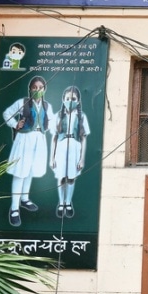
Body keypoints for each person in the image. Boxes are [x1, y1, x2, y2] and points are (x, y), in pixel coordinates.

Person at [2, 76, 54, 226]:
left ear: (44, 89)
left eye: (40, 87)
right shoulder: (22, 102)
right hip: (24, 139)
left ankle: (24, 199)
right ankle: (14, 208)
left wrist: (45, 126)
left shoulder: (47, 105)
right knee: (20, 172)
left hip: (39, 139)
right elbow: (7, 113)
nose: (37, 90)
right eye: (35, 87)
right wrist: (15, 124)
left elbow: (49, 120)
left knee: (30, 170)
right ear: (30, 89)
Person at [50, 85, 90, 218]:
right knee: (62, 177)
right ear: (63, 99)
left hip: (74, 147)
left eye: (73, 98)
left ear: (78, 101)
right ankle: (61, 203)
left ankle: (68, 202)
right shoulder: (58, 116)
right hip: (61, 148)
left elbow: (83, 138)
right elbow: (54, 138)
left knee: (71, 178)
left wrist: (81, 159)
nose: (70, 100)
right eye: (67, 98)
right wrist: (52, 157)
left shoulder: (81, 116)